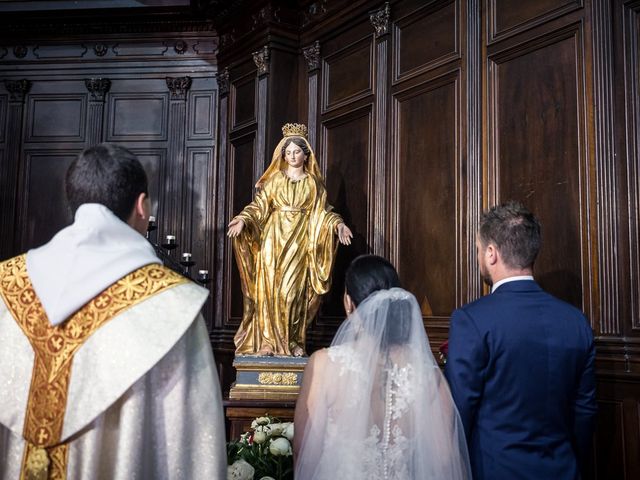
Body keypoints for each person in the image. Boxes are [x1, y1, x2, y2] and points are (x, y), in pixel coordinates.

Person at [0, 143, 226, 479]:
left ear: (73, 203)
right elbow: (192, 446)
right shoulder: (170, 304)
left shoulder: (8, 285)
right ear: (141, 206)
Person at [445, 201, 597, 479]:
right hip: (564, 469)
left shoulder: (472, 320)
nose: (478, 256)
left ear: (492, 253)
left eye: (478, 250)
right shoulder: (576, 323)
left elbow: (460, 411)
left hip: (495, 470)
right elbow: (584, 412)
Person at [294, 255, 471, 479]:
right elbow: (446, 461)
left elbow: (305, 454)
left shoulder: (324, 365)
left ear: (349, 303)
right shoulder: (427, 374)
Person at [227, 123, 353, 357]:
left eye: (297, 151)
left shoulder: (313, 184)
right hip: (273, 241)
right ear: (283, 155)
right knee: (270, 291)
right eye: (288, 152)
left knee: (293, 292)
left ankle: (294, 340)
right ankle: (267, 341)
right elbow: (259, 206)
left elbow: (322, 212)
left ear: (306, 155)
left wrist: (338, 224)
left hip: (300, 242)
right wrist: (243, 219)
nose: (292, 156)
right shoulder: (275, 180)